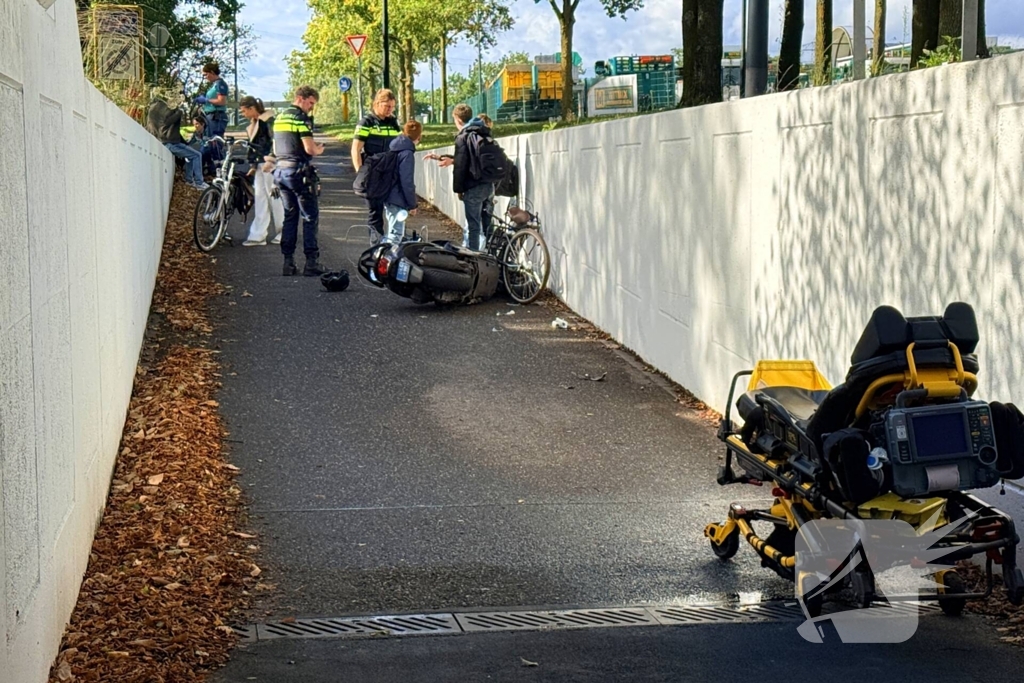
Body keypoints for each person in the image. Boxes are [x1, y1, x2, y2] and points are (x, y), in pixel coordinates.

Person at [273, 85, 327, 276]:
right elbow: (310, 149)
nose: (311, 107)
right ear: (301, 98)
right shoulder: (300, 118)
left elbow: (275, 147)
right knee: (310, 216)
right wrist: (319, 149)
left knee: (290, 215)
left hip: (280, 172)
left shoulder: (279, 118)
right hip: (298, 173)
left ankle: (288, 262)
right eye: (311, 103)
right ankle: (311, 263)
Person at [432, 103, 493, 251]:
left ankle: (474, 262)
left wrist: (459, 190)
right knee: (488, 225)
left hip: (473, 187)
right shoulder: (483, 132)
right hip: (489, 185)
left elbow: (461, 166)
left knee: (473, 227)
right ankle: (491, 257)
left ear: (458, 119)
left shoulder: (463, 137)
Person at [351, 89, 400, 239]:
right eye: (387, 106)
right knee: (375, 215)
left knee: (396, 213)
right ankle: (376, 251)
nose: (390, 110)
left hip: (391, 173)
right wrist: (361, 173)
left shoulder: (393, 122)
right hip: (373, 173)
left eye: (392, 107)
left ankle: (392, 248)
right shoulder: (367, 122)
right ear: (377, 104)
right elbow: (356, 149)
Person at [239, 97, 285, 247]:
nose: (243, 114)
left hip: (269, 164)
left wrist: (271, 159)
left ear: (252, 108)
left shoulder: (268, 121)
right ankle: (258, 234)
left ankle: (283, 232)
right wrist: (253, 164)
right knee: (261, 198)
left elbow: (275, 141)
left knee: (274, 198)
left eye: (244, 110)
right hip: (261, 164)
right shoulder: (257, 122)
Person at [146, 96, 207, 190]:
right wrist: (179, 111)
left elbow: (173, 131)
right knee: (197, 155)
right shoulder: (163, 110)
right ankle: (199, 183)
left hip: (171, 142)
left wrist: (185, 143)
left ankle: (189, 180)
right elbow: (167, 123)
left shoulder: (154, 112)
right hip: (170, 144)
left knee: (191, 155)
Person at [382, 120, 423, 244]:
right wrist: (412, 204)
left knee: (392, 232)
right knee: (396, 235)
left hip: (387, 194)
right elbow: (407, 180)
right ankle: (385, 261)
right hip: (397, 198)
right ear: (419, 136)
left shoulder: (394, 147)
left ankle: (382, 258)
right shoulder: (407, 153)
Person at [195, 62, 230, 163]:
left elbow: (222, 101)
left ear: (212, 72)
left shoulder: (220, 84)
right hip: (210, 116)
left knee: (216, 143)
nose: (205, 77)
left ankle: (220, 167)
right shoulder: (214, 85)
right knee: (210, 142)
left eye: (206, 74)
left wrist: (206, 100)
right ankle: (214, 168)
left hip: (217, 116)